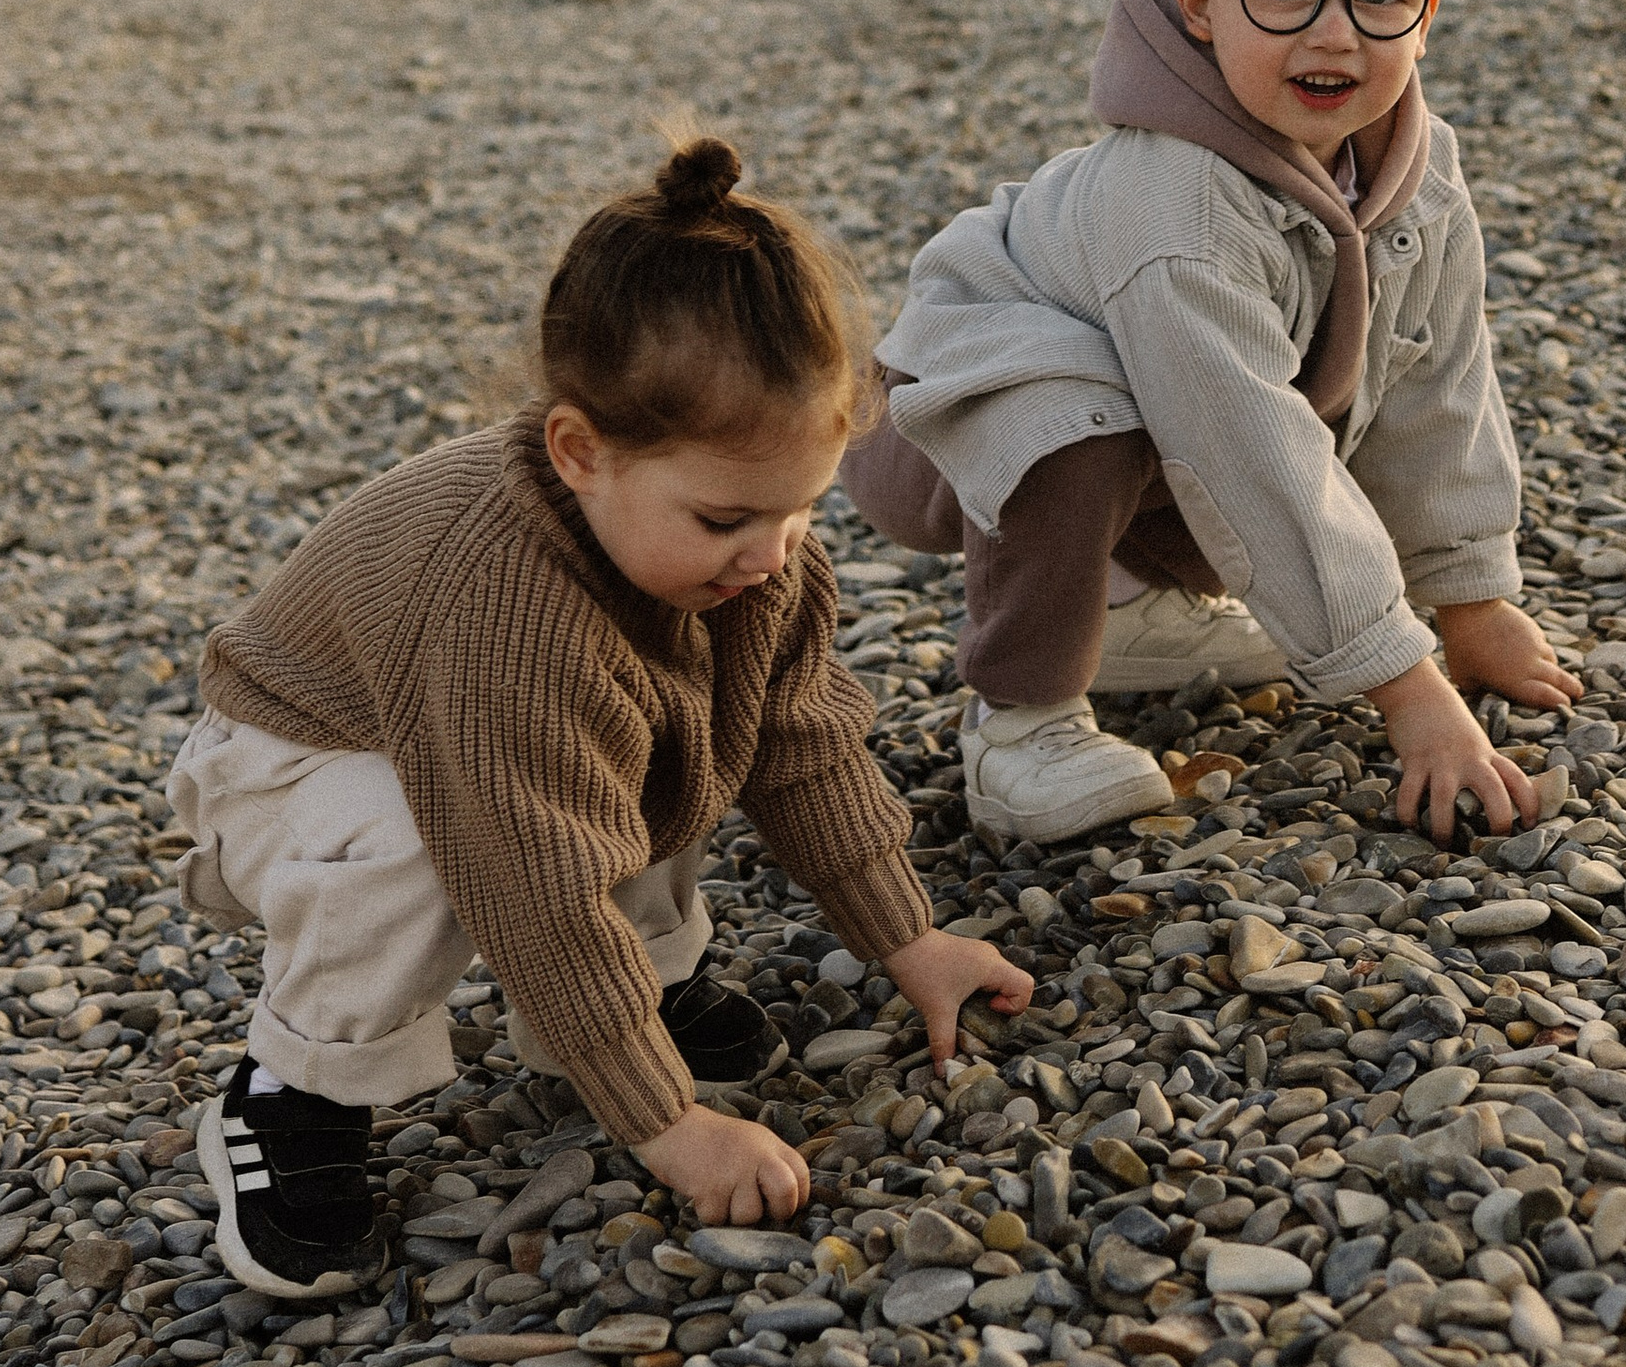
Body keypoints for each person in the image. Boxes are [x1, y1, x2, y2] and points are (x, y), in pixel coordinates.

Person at [169, 139, 1031, 1296]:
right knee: (425, 836)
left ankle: (642, 988)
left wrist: (906, 937)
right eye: (727, 516)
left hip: (504, 743)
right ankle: (294, 1093)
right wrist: (668, 1129)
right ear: (581, 453)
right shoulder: (501, 604)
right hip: (303, 761)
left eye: (800, 511)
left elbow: (803, 748)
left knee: (684, 721)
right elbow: (529, 872)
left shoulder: (748, 558)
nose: (770, 554)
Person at [844, 0, 1581, 847]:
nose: (1332, 36)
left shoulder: (1421, 173)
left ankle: (1130, 609)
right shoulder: (1176, 204)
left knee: (1163, 404)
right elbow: (1243, 444)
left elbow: (1439, 383)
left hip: (1144, 434)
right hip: (941, 421)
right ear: (1199, 2)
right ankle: (1021, 720)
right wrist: (1408, 692)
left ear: (1427, 12)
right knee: (1074, 406)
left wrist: (1468, 599)